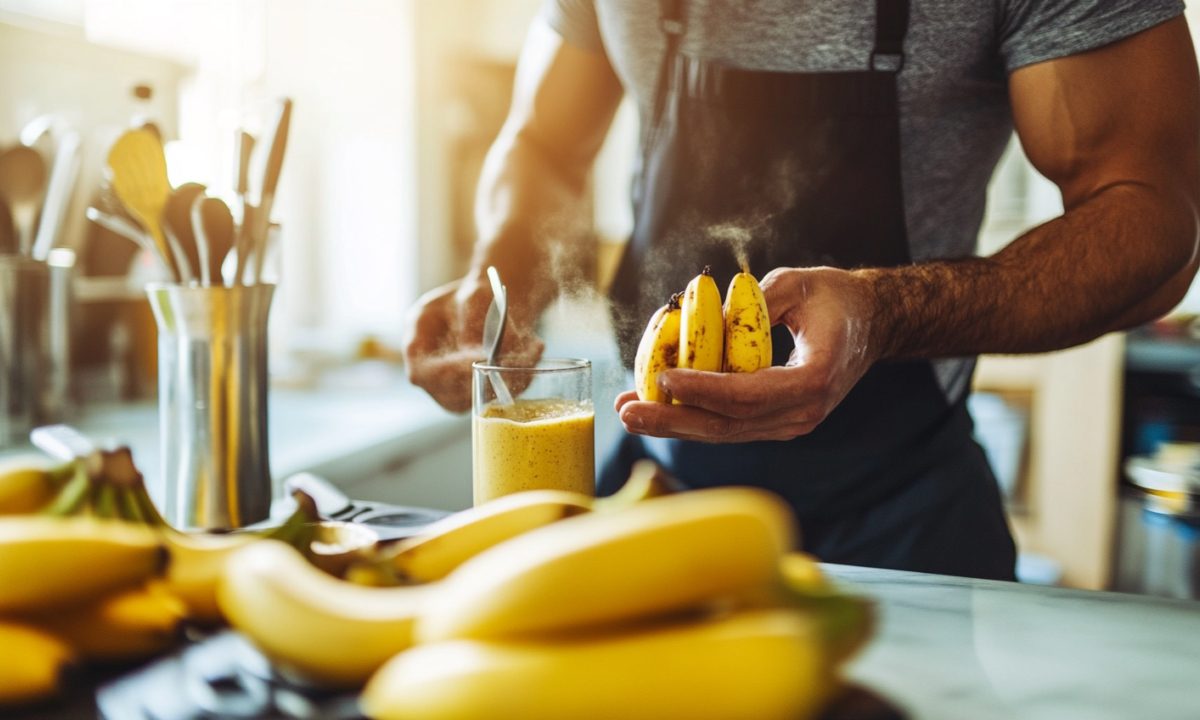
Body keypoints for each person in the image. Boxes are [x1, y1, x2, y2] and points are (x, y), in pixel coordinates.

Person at [403, 0, 1200, 581]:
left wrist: (885, 314)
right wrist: (495, 279)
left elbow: (1156, 223)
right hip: (650, 490)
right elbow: (543, 142)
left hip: (903, 518)